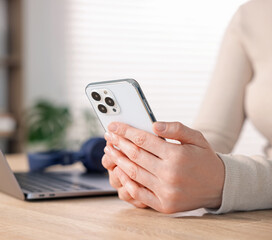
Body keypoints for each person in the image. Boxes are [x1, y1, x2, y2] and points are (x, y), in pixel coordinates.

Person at [101, 0, 272, 214]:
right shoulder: (252, 14)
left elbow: (225, 179)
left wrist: (230, 183)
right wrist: (164, 172)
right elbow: (214, 135)